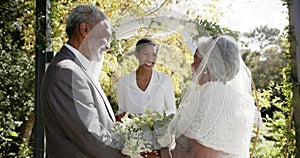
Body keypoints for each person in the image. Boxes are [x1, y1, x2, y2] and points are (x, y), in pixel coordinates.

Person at [40, 5, 128, 158]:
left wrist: (115, 123)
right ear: (85, 30)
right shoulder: (67, 72)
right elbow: (91, 138)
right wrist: (134, 152)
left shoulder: (79, 69)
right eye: (106, 36)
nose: (108, 46)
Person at [159, 35, 261, 158]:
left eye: (195, 60)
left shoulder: (212, 97)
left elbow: (202, 155)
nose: (192, 65)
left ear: (208, 65)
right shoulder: (241, 100)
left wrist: (161, 153)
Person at [117, 38, 176, 116]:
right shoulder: (123, 82)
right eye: (145, 54)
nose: (150, 59)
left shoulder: (165, 80)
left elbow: (172, 110)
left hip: (158, 128)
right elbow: (122, 112)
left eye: (154, 54)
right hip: (132, 128)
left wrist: (157, 118)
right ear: (136, 54)